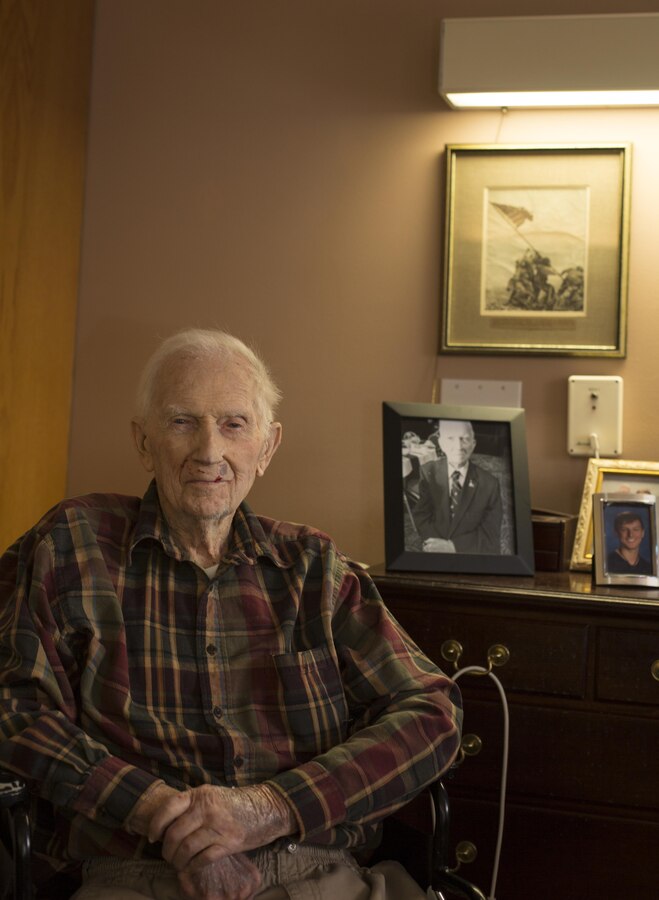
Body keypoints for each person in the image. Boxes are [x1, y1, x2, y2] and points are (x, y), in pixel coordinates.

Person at [0, 329, 462, 900]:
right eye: (182, 422)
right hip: (135, 875)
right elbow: (14, 708)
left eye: (233, 424)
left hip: (315, 869)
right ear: (143, 442)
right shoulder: (73, 543)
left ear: (266, 448)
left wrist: (268, 809)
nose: (209, 451)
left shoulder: (314, 569)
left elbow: (431, 713)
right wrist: (163, 815)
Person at [413, 419, 503, 555]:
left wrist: (453, 547)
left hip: (470, 553)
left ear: (473, 445)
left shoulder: (489, 484)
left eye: (465, 439)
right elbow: (422, 515)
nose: (459, 446)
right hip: (435, 549)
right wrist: (435, 543)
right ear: (441, 444)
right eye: (450, 438)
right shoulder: (428, 472)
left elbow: (491, 533)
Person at [606, 509, 653, 575]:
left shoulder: (648, 567)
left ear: (642, 533)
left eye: (636, 529)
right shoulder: (606, 563)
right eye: (624, 530)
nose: (630, 535)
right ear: (616, 533)